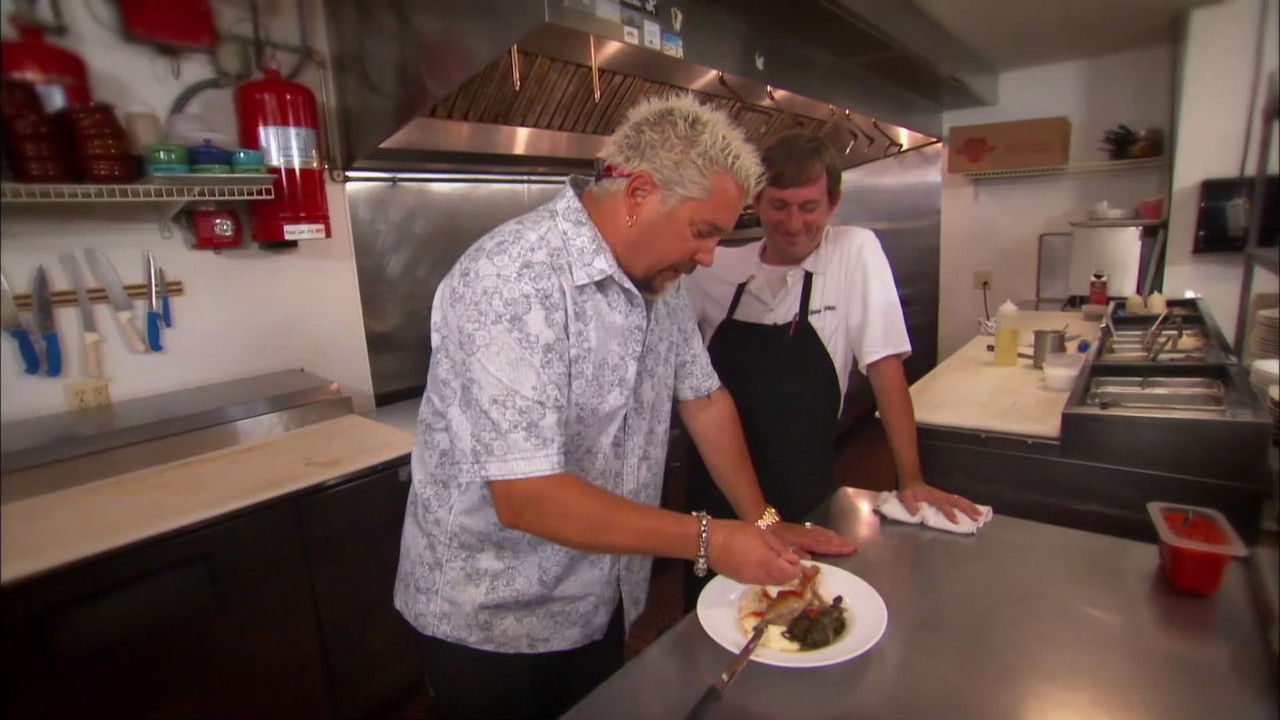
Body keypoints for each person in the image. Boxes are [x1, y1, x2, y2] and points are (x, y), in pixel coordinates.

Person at [393, 98, 855, 720]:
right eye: (703, 231)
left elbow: (705, 399)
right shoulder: (513, 279)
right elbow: (526, 496)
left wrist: (762, 520)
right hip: (494, 622)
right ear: (639, 193)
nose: (709, 256)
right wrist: (710, 539)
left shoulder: (661, 283)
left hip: (601, 598)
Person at [683, 131, 983, 571]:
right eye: (779, 205)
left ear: (833, 202)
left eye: (809, 207)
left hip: (804, 487)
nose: (793, 223)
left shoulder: (853, 251)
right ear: (756, 201)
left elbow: (885, 368)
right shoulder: (715, 269)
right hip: (717, 491)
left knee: (796, 596)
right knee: (713, 606)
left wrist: (911, 479)